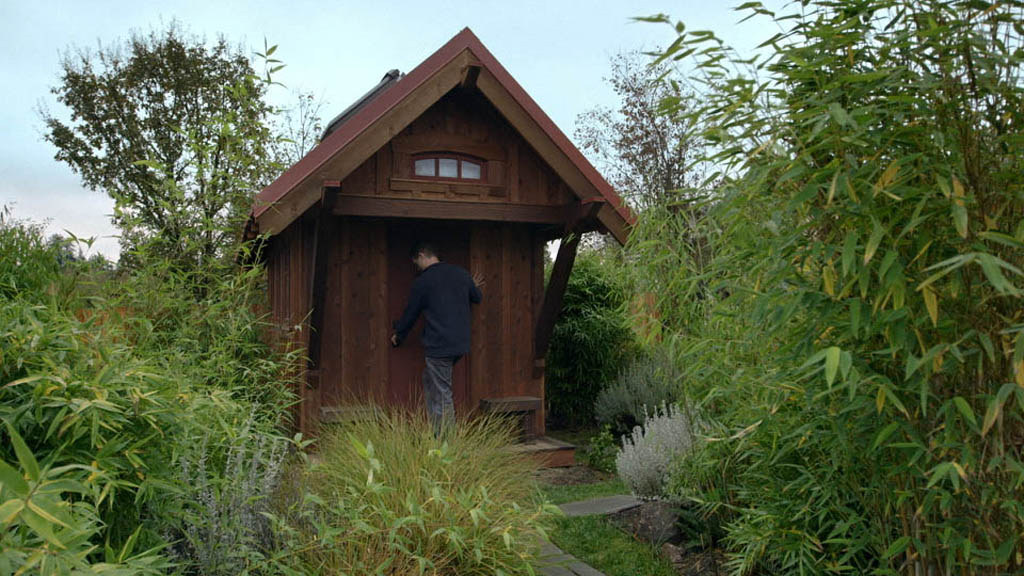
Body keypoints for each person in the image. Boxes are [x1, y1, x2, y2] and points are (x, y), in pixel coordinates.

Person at [391, 241, 483, 434]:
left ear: (423, 255)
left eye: (416, 262)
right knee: (431, 382)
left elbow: (411, 314)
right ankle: (437, 431)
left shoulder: (423, 282)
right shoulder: (461, 274)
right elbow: (477, 297)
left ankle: (447, 443)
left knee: (441, 393)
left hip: (439, 346)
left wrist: (398, 335)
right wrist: (470, 285)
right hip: (459, 345)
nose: (417, 267)